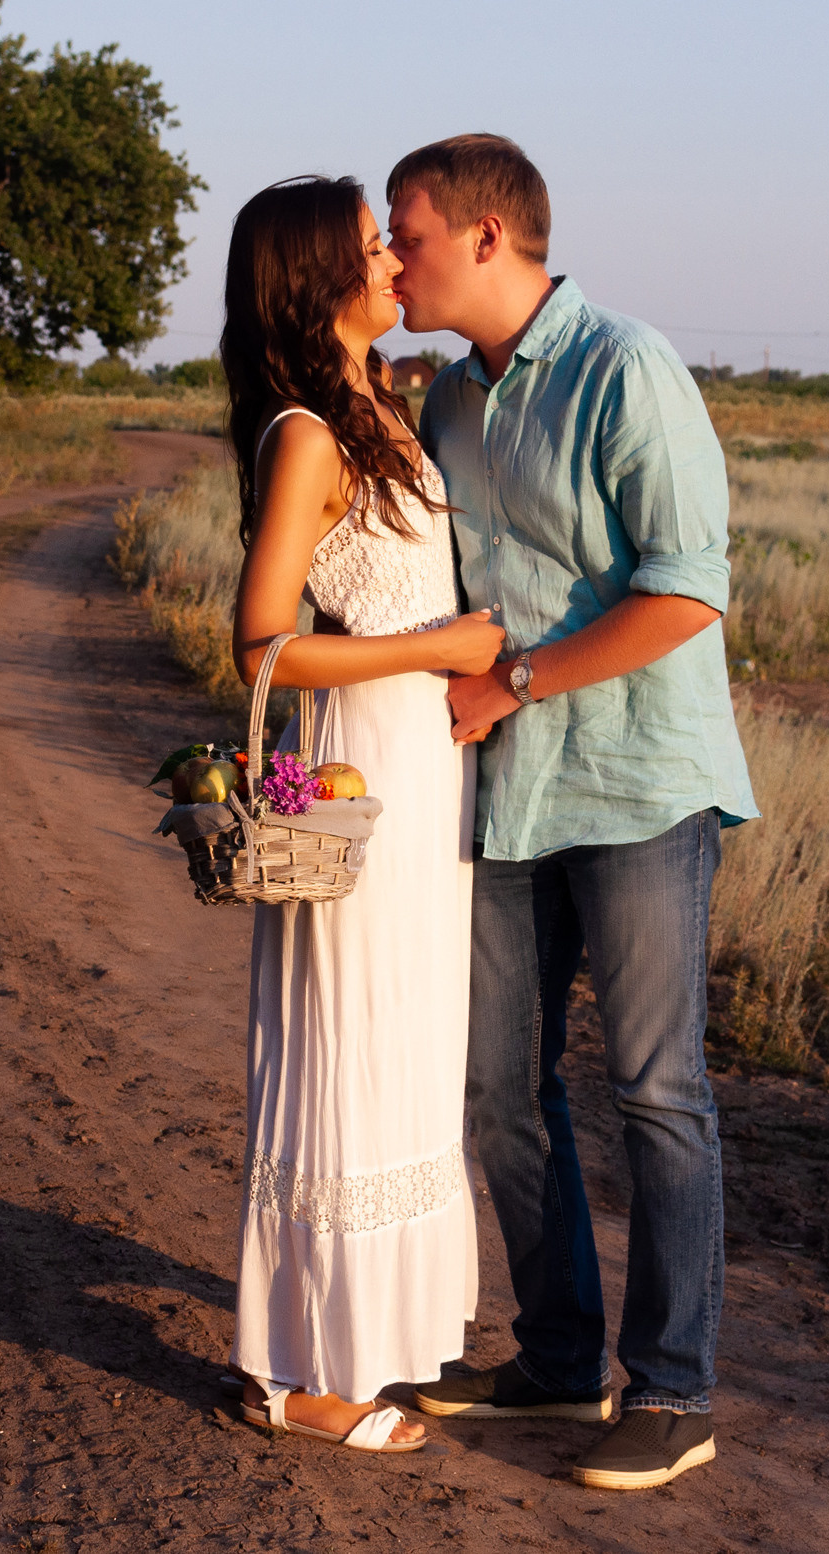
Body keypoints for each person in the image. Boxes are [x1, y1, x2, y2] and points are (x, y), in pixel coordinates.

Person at [390, 134, 760, 1491]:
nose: (393, 253)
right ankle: (556, 1362)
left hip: (639, 780)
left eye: (408, 230)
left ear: (489, 234)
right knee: (496, 1083)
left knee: (658, 1089)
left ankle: (673, 1390)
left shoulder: (628, 368)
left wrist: (519, 679)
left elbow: (685, 591)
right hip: (507, 791)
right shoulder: (443, 398)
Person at [220, 175, 506, 1453]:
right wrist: (432, 644)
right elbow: (260, 644)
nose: (396, 257)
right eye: (371, 243)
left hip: (424, 766)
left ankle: (366, 1336)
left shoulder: (383, 405)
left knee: (404, 1050)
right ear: (318, 276)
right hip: (357, 776)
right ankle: (304, 1372)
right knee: (347, 1049)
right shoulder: (304, 435)